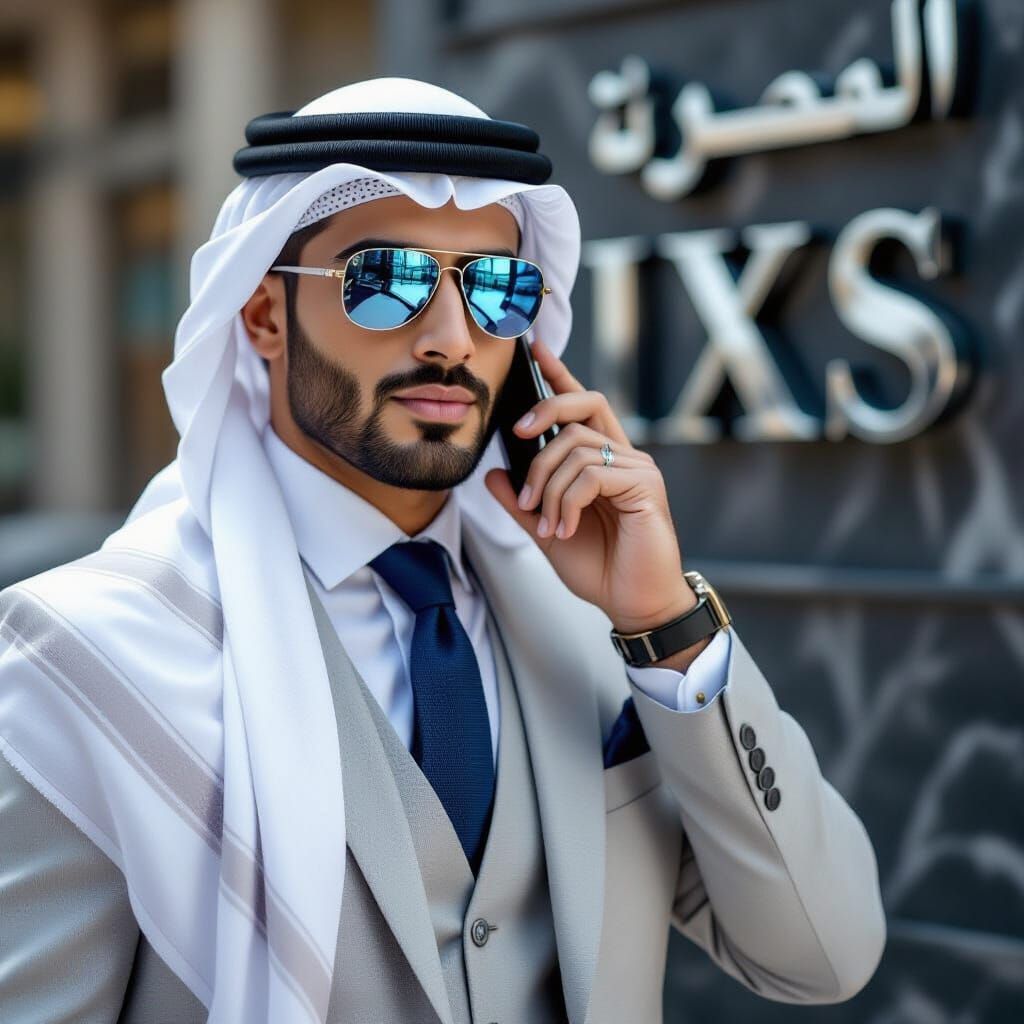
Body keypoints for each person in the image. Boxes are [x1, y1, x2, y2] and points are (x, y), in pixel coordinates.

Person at [0, 78, 886, 1024]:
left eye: (496, 288)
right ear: (262, 316)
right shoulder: (94, 656)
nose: (450, 339)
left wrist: (664, 623)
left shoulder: (592, 626)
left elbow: (821, 957)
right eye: (386, 281)